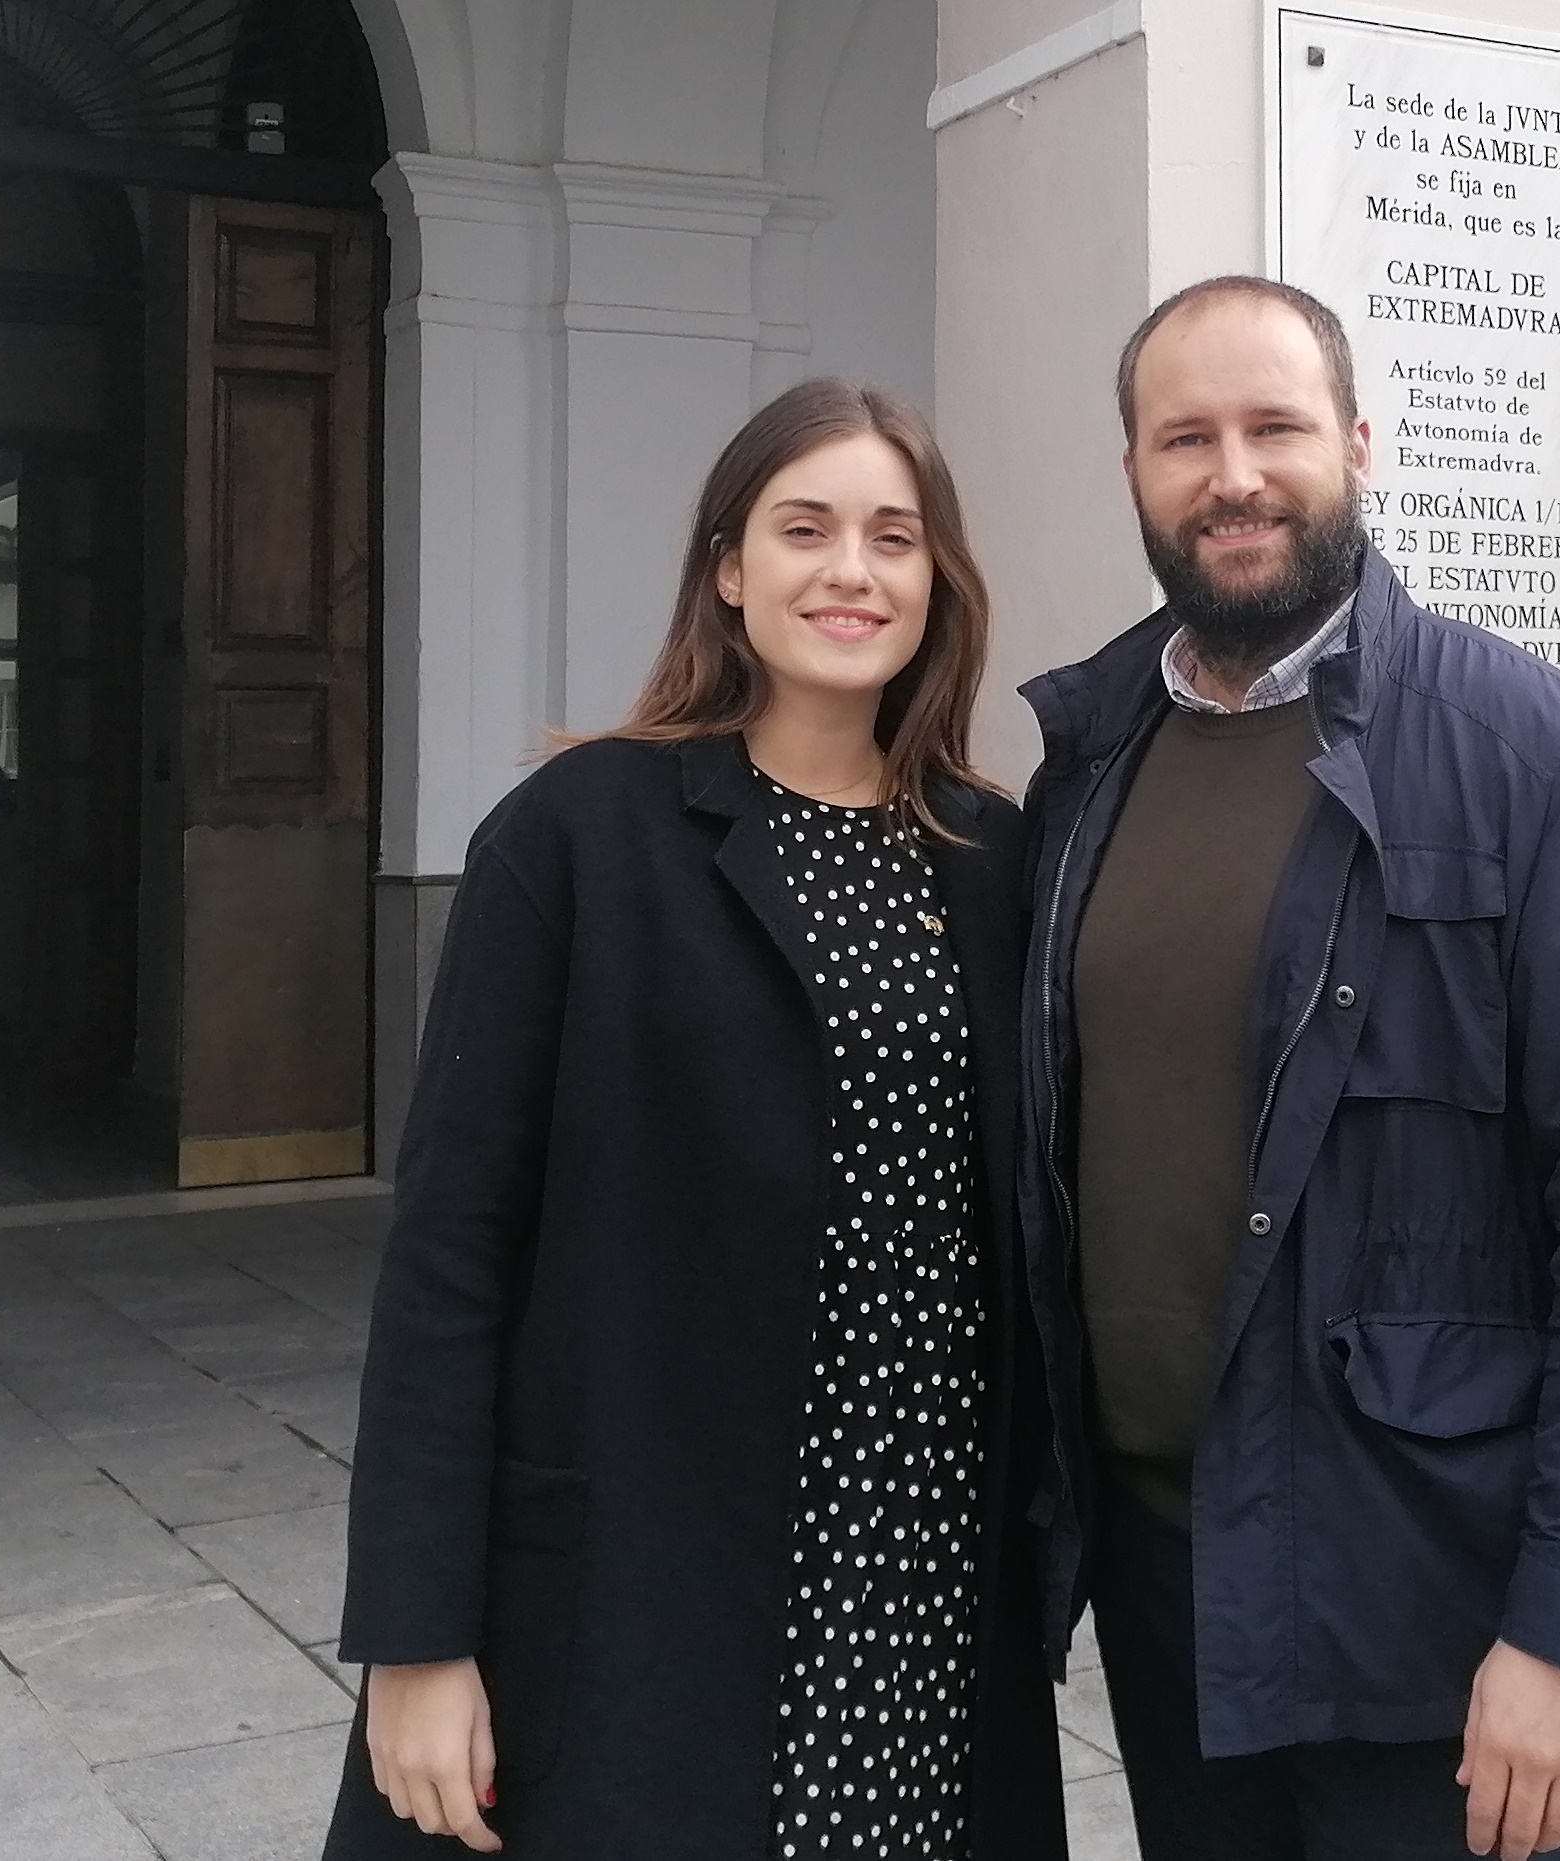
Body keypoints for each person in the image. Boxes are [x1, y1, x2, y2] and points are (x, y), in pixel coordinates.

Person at [1014, 276, 1560, 1861]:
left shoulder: (1537, 754)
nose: (1234, 475)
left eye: (1275, 426)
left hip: (1427, 1588)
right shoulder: (1083, 762)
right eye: (1183, 437)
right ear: (1135, 472)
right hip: (1165, 1572)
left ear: (1357, 442)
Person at [325, 378, 1067, 1859]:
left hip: (921, 1570)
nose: (850, 571)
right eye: (806, 528)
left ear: (939, 580)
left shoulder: (997, 859)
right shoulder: (579, 835)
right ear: (729, 568)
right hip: (643, 1571)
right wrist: (414, 1637)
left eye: (893, 536)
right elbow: (450, 1255)